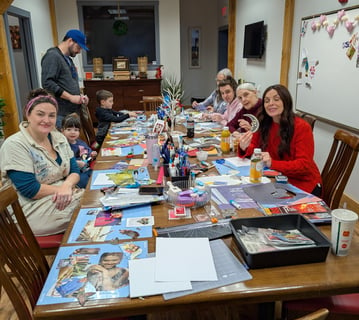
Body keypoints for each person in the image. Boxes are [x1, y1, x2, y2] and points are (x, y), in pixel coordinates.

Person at [0, 88, 84, 236]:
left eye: (52, 115)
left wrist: (66, 185)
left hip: (64, 195)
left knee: (96, 206)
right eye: (40, 114)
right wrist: (64, 190)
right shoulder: (15, 145)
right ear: (28, 114)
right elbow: (30, 189)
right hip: (29, 209)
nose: (46, 120)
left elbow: (75, 171)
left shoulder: (58, 137)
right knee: (90, 212)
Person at [238, 84, 322, 195]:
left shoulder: (302, 127)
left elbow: (304, 165)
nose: (271, 103)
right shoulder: (264, 122)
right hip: (276, 178)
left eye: (276, 99)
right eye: (267, 101)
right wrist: (244, 147)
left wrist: (272, 163)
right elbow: (255, 146)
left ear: (286, 102)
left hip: (302, 183)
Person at [41, 29, 90, 128]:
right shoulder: (53, 56)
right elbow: (47, 83)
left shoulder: (67, 59)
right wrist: (71, 97)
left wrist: (80, 97)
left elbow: (68, 83)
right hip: (61, 114)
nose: (79, 51)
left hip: (72, 112)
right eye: (78, 47)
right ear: (70, 41)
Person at [61, 113, 97, 188]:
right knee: (85, 183)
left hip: (87, 169)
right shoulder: (63, 146)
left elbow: (88, 151)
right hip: (76, 174)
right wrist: (76, 163)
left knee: (97, 176)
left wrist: (92, 154)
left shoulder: (81, 142)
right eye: (69, 129)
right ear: (62, 131)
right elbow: (64, 160)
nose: (73, 132)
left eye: (76, 130)